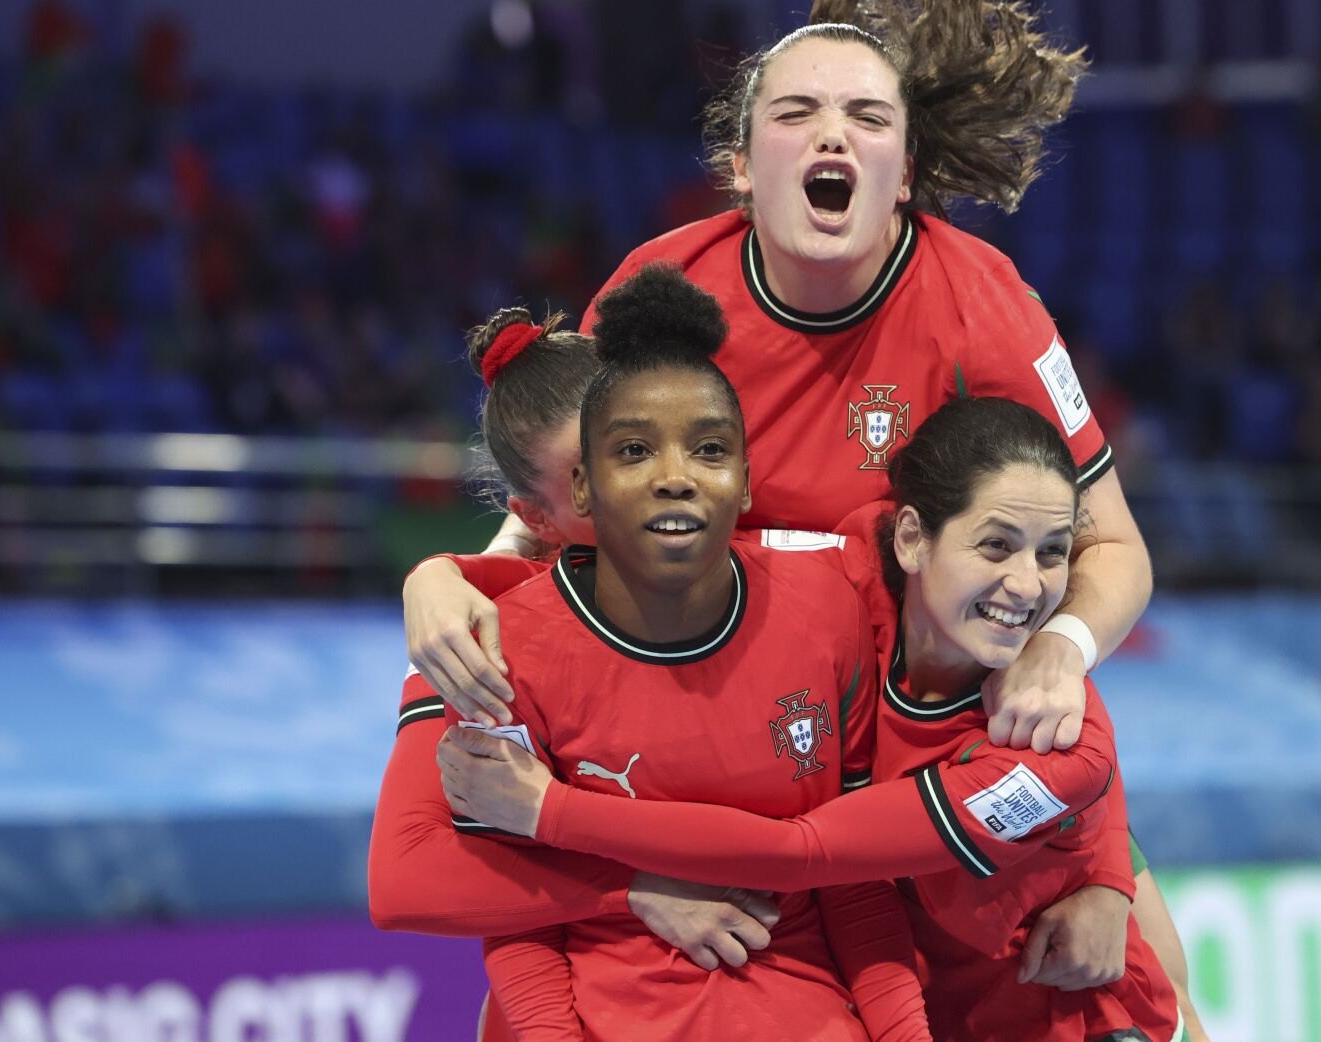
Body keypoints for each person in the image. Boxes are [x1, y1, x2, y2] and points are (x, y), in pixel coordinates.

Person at [403, 2, 1200, 1015]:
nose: (833, 133)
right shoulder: (660, 297)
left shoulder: (985, 305)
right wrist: (447, 576)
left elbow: (1112, 548)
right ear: (738, 164)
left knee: (1159, 988)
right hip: (727, 781)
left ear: (904, 174)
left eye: (868, 116)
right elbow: (564, 509)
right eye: (797, 112)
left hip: (928, 770)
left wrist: (1063, 656)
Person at [443, 394, 1182, 1042]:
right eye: (996, 545)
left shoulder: (1060, 748)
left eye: (1054, 554)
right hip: (910, 1003)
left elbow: (807, 854)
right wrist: (444, 581)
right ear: (912, 538)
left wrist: (549, 812)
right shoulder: (832, 582)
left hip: (1068, 1018)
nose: (1028, 584)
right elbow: (643, 541)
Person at [370, 278, 926, 1041]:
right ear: (548, 507)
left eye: (688, 444)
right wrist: (632, 888)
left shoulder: (816, 593)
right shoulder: (478, 635)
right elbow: (409, 878)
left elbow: (853, 864)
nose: (667, 480)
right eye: (624, 455)